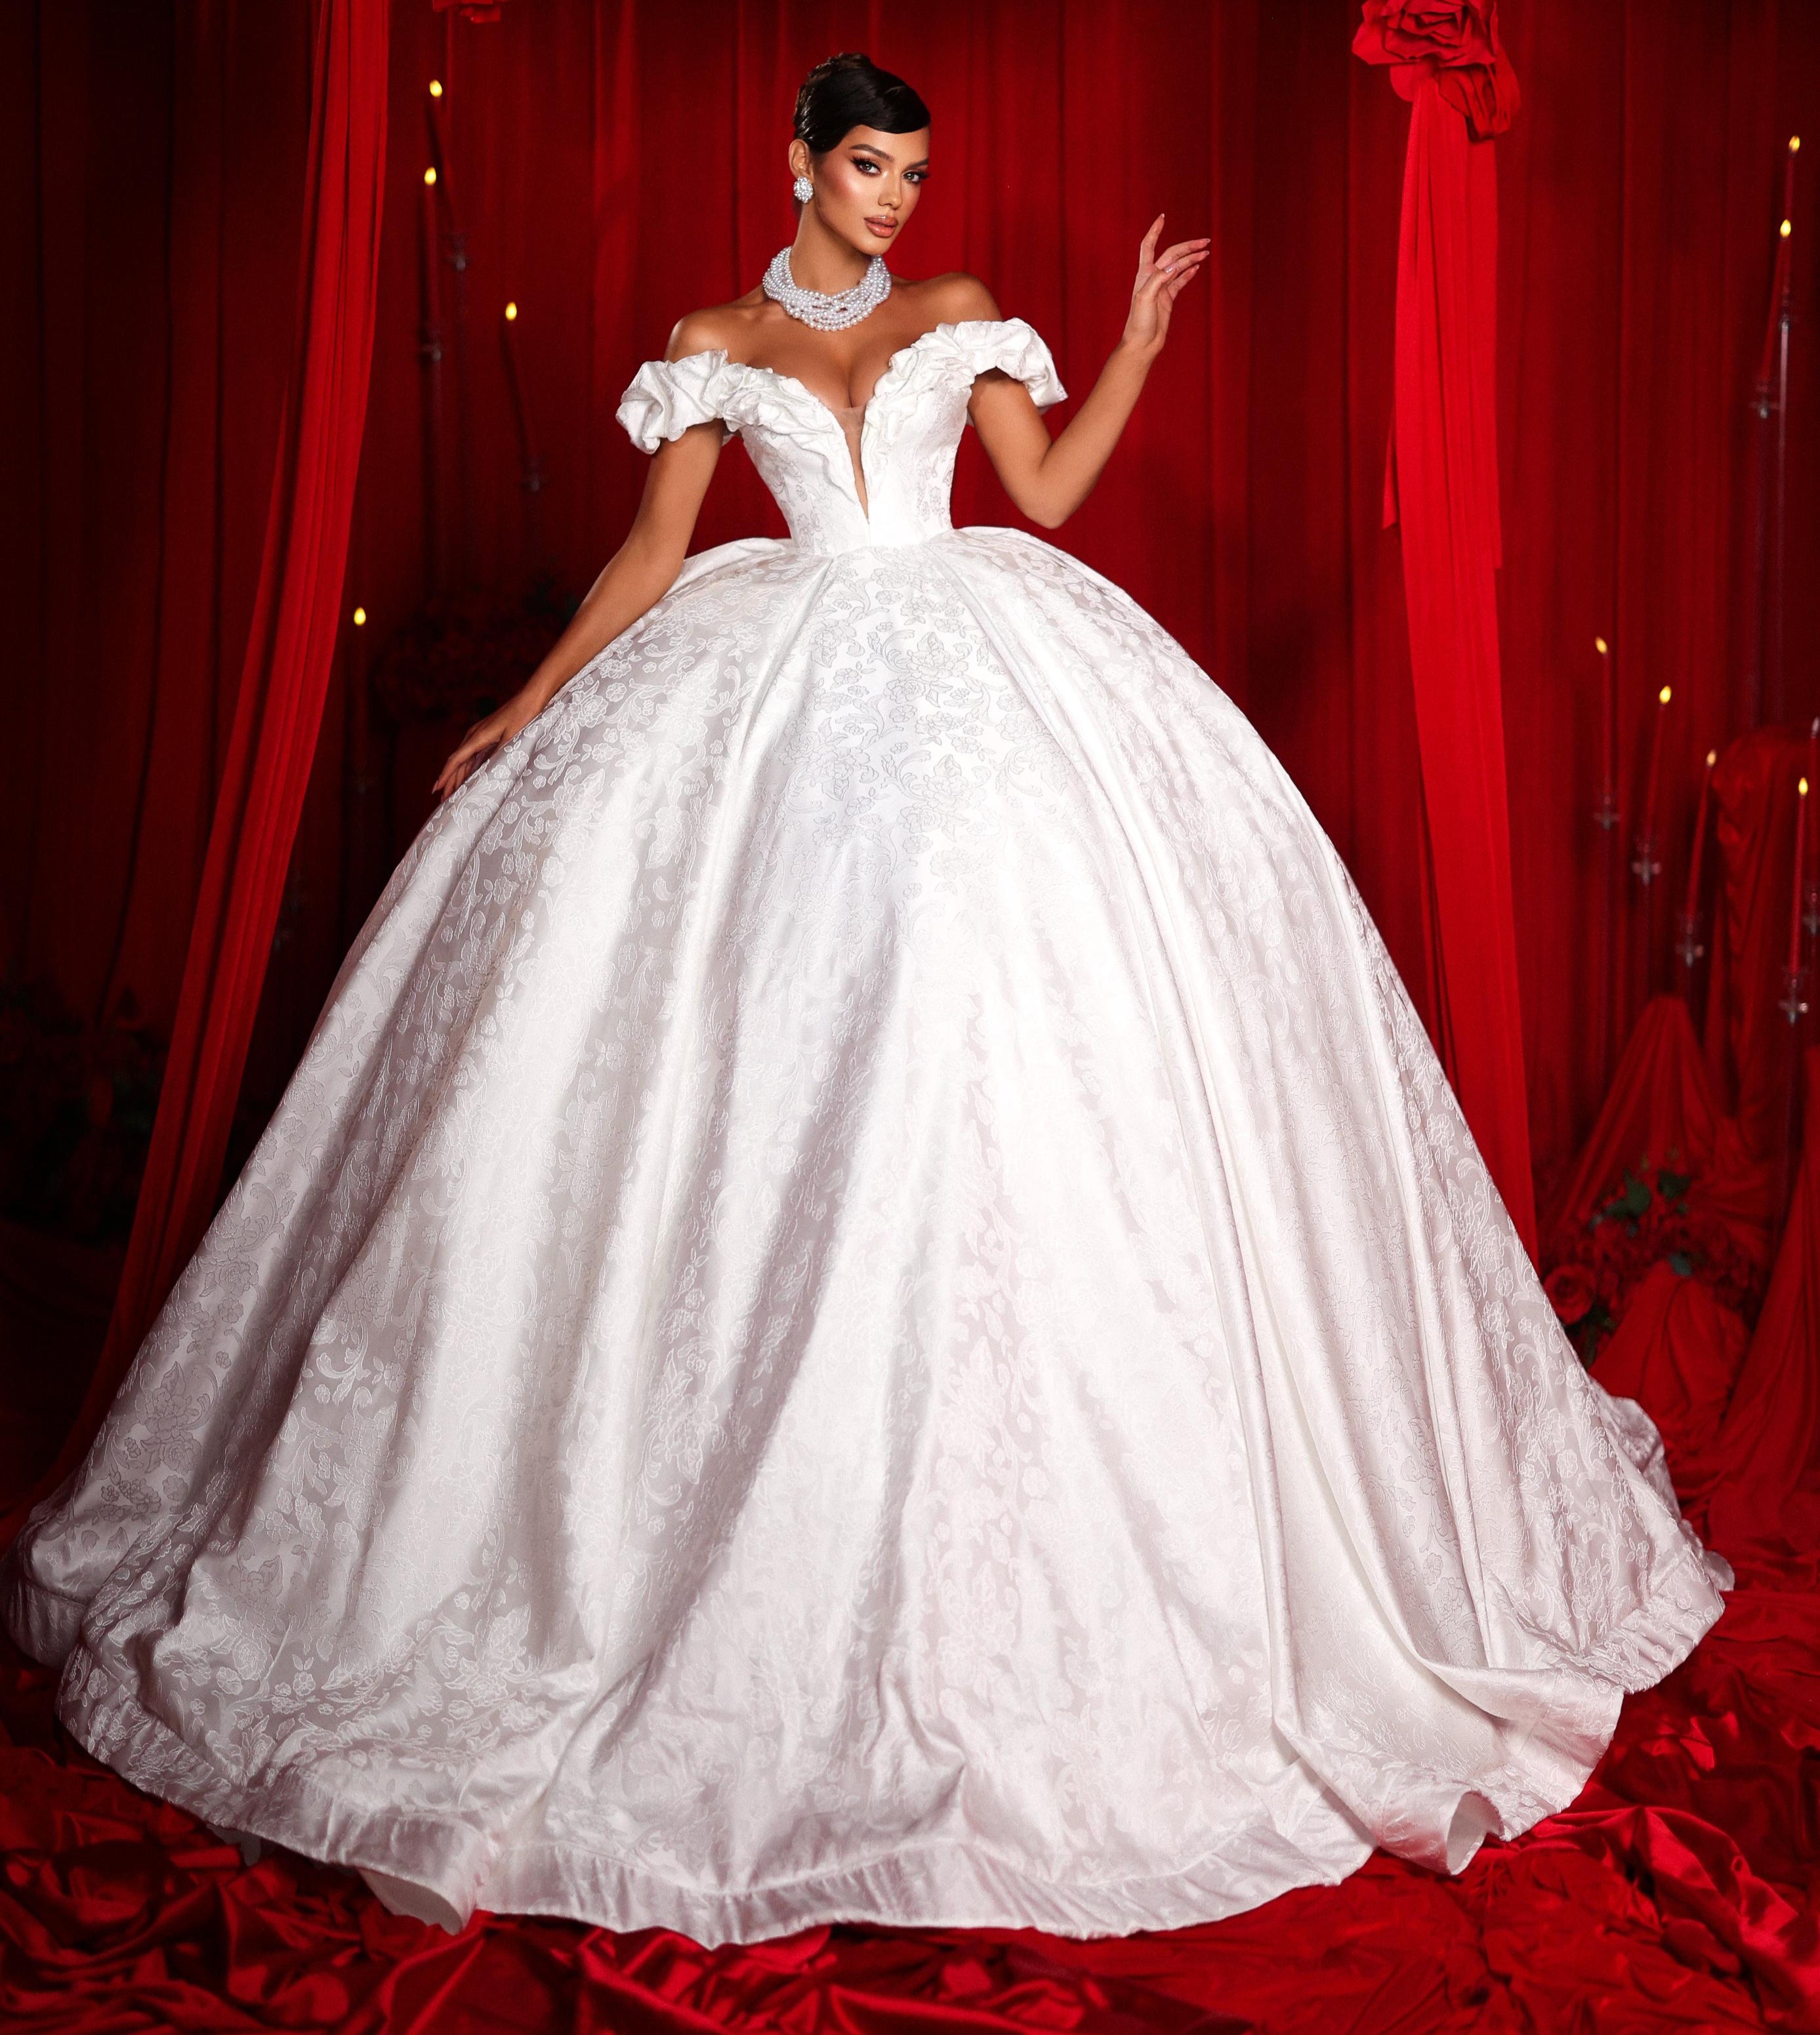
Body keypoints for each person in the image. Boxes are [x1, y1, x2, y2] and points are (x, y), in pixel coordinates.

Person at [3, 52, 1729, 1946]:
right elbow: (657, 554)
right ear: (805, 164)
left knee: (995, 1043)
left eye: (917, 172)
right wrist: (524, 708)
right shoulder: (711, 340)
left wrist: (1140, 339)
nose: (901, 200)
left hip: (974, 685)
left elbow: (1045, 492)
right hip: (766, 690)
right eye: (873, 169)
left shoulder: (962, 315)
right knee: (721, 1078)